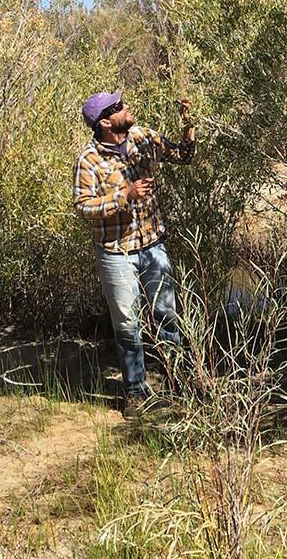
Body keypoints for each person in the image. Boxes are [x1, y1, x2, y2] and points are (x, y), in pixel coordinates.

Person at [73, 91, 196, 419]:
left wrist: (189, 123)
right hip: (116, 254)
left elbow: (183, 155)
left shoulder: (142, 137)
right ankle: (136, 394)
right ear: (105, 122)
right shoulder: (89, 160)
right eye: (118, 107)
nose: (126, 107)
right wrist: (124, 195)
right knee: (127, 324)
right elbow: (84, 208)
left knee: (167, 316)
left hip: (153, 246)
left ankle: (179, 386)